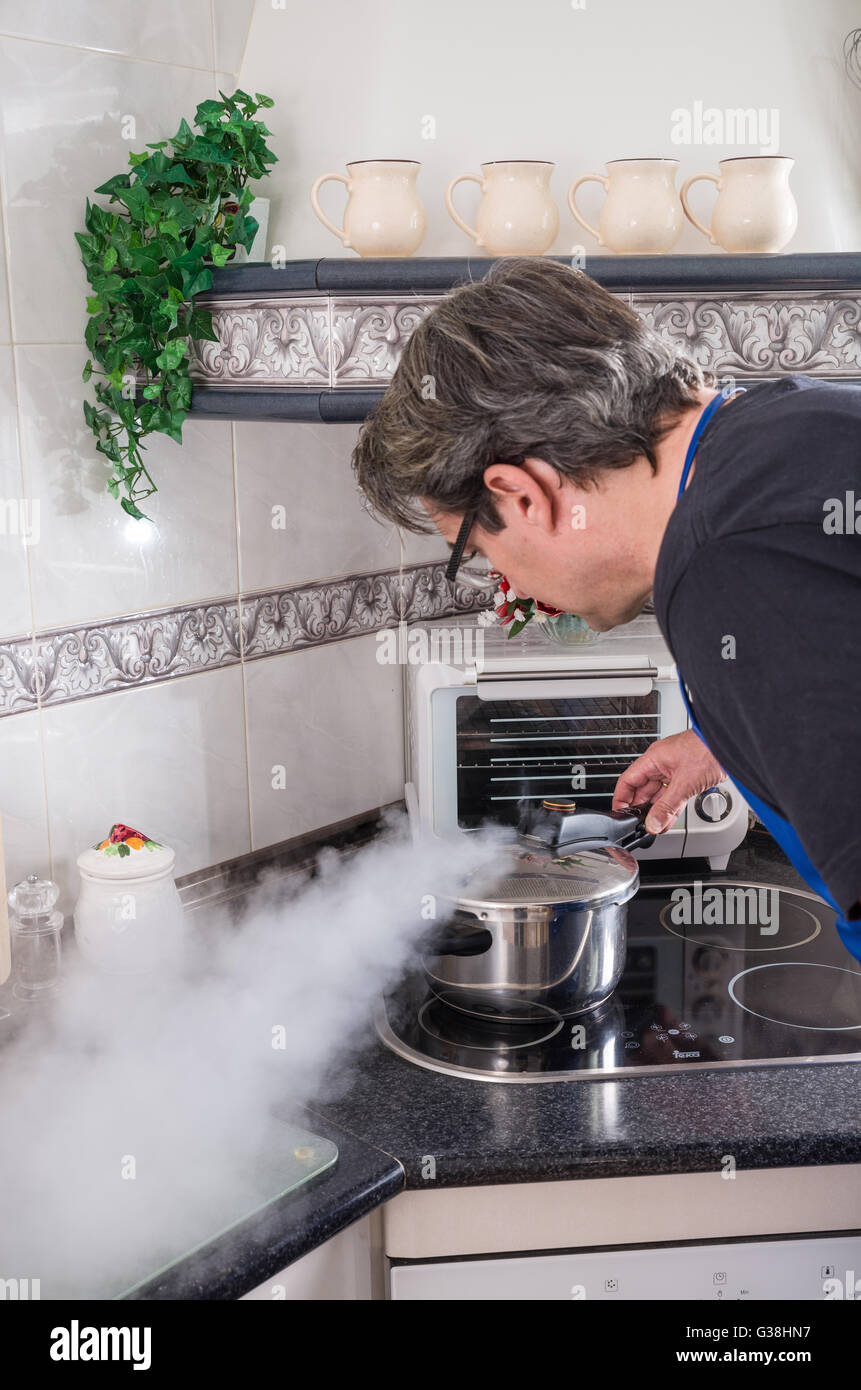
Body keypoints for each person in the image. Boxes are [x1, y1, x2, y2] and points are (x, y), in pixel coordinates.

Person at [352, 256, 861, 962]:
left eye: (475, 552)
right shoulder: (783, 425)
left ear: (520, 495)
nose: (506, 584)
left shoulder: (728, 563)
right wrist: (737, 732)